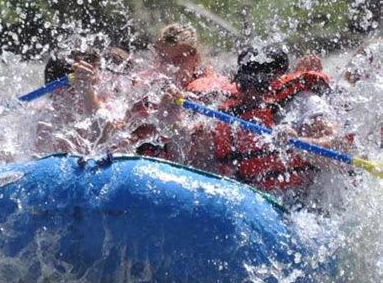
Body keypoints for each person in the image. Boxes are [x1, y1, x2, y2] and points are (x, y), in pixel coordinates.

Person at [211, 46, 346, 197]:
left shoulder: (304, 101)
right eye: (245, 84)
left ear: (279, 81)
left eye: (260, 85)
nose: (251, 93)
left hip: (304, 203)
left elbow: (339, 148)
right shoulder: (228, 110)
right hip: (250, 197)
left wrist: (298, 143)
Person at [125, 23, 234, 161]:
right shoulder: (145, 88)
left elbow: (205, 150)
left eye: (178, 61)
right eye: (164, 59)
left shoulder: (207, 93)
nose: (171, 68)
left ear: (194, 58)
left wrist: (174, 121)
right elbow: (124, 129)